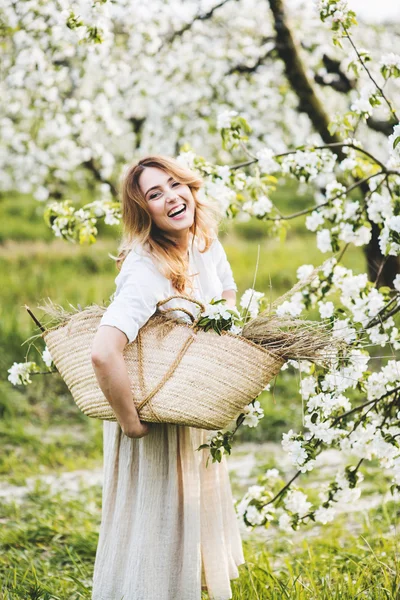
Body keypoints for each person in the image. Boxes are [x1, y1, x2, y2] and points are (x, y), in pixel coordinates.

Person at [90, 155, 245, 600]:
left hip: (190, 404)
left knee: (188, 512)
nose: (171, 197)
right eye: (155, 195)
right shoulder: (145, 269)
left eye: (174, 184)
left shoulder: (201, 239)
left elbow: (227, 290)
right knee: (158, 521)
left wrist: (217, 332)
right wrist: (130, 423)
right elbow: (103, 352)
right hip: (151, 415)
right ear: (145, 212)